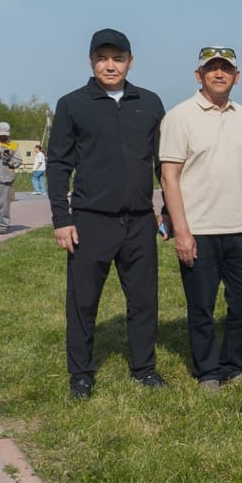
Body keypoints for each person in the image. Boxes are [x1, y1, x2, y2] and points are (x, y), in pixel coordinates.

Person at [48, 28, 168, 399]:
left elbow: (164, 164)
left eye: (118, 58)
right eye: (102, 58)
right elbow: (57, 164)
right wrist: (61, 219)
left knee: (144, 300)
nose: (110, 65)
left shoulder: (149, 103)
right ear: (91, 61)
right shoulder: (73, 104)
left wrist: (168, 211)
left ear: (130, 62)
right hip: (89, 219)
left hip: (139, 220)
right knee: (83, 302)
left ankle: (144, 369)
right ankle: (81, 375)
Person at [159, 46, 242, 390]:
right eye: (211, 68)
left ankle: (234, 364)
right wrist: (182, 232)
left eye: (226, 68)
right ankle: (208, 372)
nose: (219, 73)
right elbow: (168, 176)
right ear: (198, 75)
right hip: (199, 229)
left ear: (236, 76)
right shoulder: (179, 116)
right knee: (201, 307)